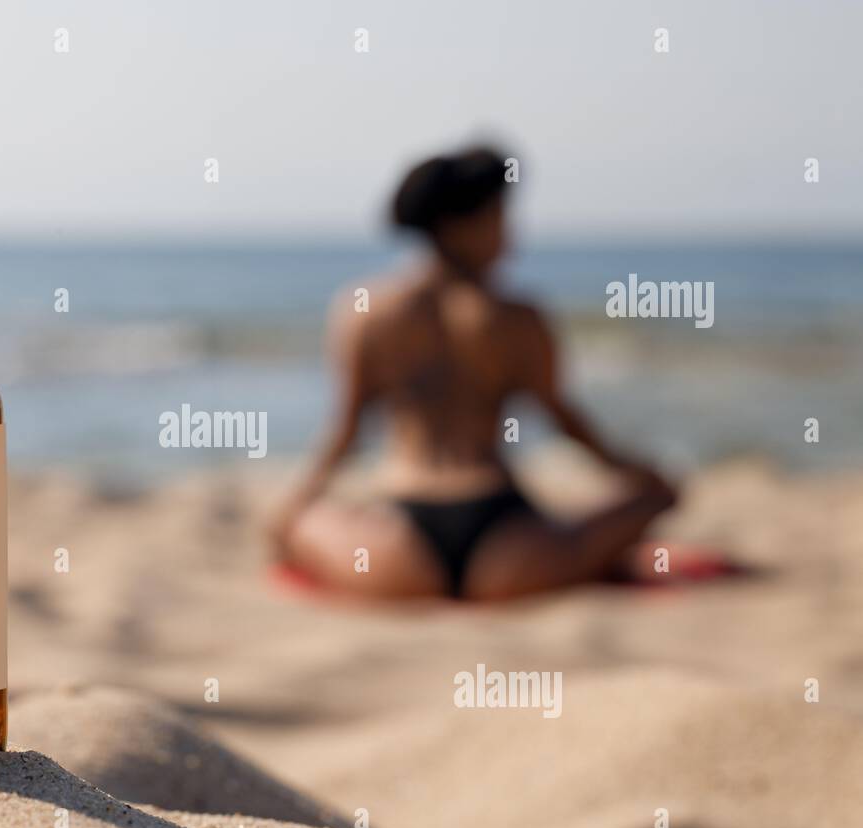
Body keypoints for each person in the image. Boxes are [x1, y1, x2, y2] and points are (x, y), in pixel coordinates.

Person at [271, 147, 677, 602]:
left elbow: (346, 431)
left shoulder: (365, 310)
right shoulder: (518, 316)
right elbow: (566, 423)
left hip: (400, 551)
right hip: (508, 547)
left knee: (301, 521)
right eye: (500, 218)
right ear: (460, 224)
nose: (511, 237)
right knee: (658, 498)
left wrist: (295, 508)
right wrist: (640, 477)